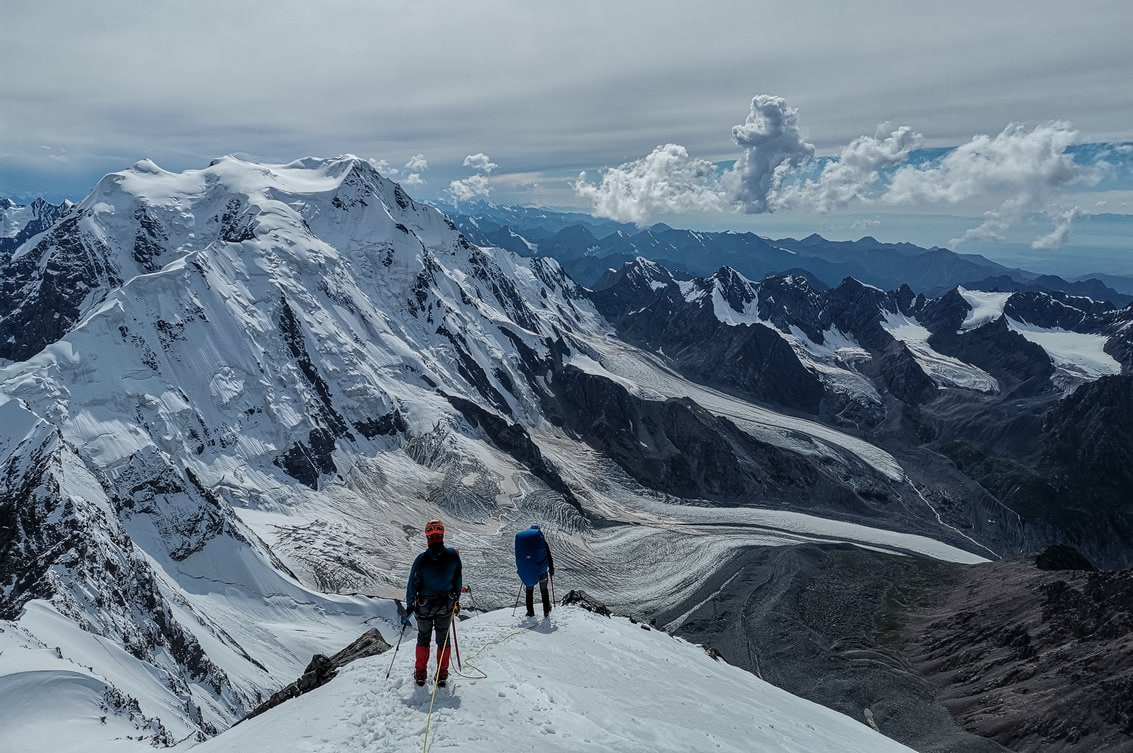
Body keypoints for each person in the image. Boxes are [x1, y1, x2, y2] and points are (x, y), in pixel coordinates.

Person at [402, 519, 462, 687]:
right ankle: (442, 674)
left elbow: (412, 585)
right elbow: (457, 581)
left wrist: (410, 606)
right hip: (446, 605)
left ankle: (421, 674)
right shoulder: (453, 556)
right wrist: (456, 599)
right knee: (443, 639)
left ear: (427, 537)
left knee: (423, 638)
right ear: (442, 535)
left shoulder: (421, 560)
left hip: (425, 606)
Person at [514, 524, 554, 618]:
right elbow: (548, 556)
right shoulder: (542, 542)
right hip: (541, 571)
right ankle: (546, 612)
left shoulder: (525, 544)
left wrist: (524, 569)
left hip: (528, 571)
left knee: (529, 591)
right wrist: (551, 569)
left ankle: (530, 612)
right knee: (544, 590)